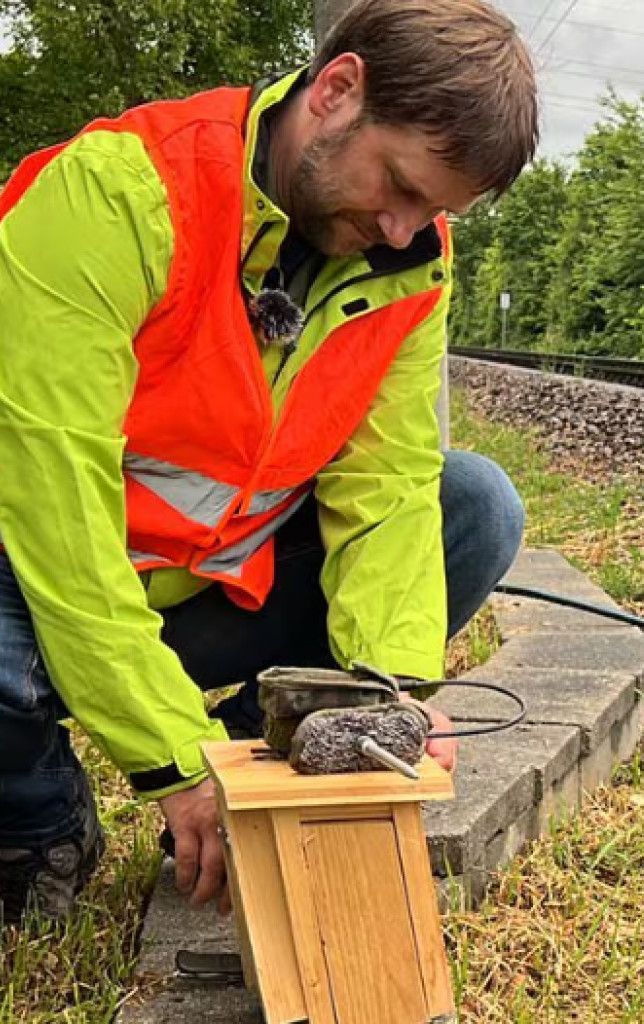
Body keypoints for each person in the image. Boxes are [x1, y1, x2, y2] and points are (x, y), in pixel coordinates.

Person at [0, 0, 538, 923]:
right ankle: (41, 818)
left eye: (437, 211)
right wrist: (176, 758)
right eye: (400, 186)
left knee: (473, 504)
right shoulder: (119, 198)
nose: (407, 230)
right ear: (337, 90)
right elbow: (58, 516)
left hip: (215, 588)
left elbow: (391, 491)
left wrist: (387, 700)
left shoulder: (410, 262)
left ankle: (272, 751)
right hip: (47, 589)